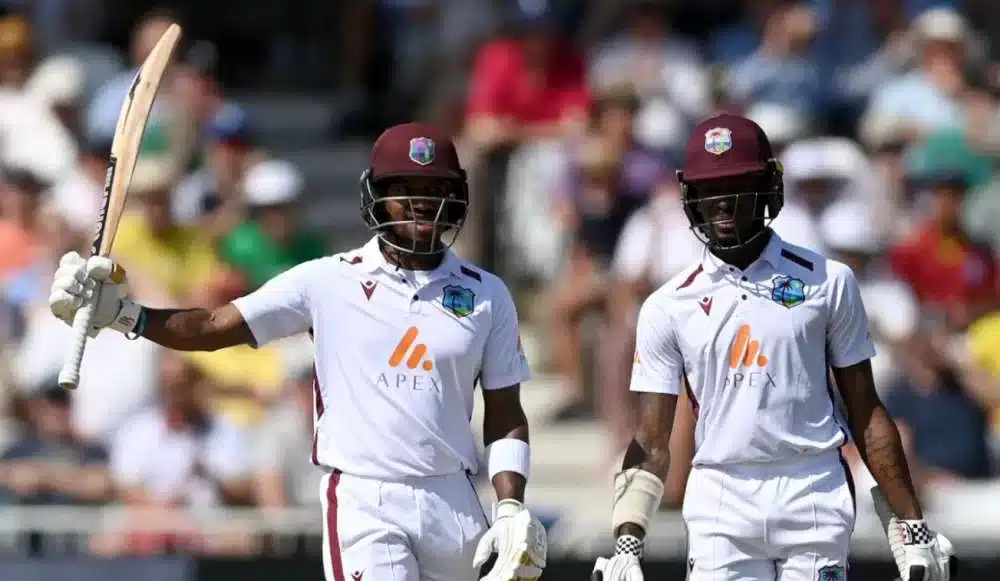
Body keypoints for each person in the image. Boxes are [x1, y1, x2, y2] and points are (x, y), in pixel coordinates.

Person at [47, 123, 546, 581]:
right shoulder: (328, 281)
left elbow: (504, 412)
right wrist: (125, 315)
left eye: (436, 191)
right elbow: (214, 326)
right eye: (405, 191)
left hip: (454, 498)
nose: (423, 204)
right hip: (365, 497)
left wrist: (509, 506)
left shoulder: (487, 295)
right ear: (377, 195)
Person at [592, 114, 955, 581]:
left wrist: (910, 525)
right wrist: (627, 540)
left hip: (812, 492)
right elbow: (651, 439)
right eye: (707, 189)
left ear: (767, 188)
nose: (720, 203)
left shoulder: (828, 281)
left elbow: (865, 411)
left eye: (735, 185)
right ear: (690, 197)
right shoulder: (667, 305)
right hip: (721, 500)